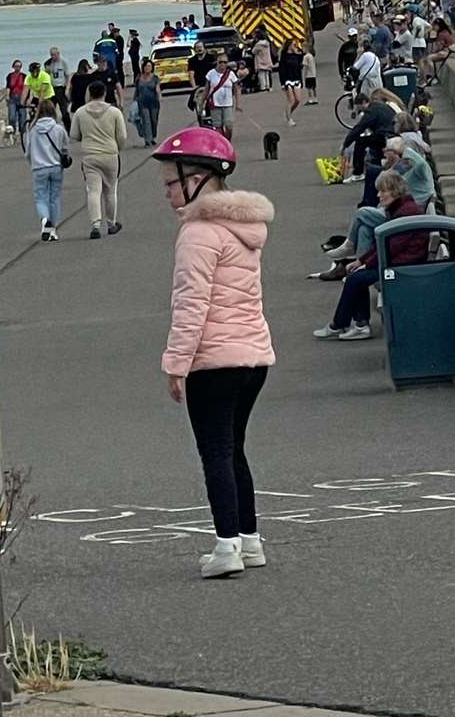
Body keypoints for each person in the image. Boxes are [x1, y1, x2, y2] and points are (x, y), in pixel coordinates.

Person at [154, 127, 275, 580]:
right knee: (234, 449)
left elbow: (192, 305)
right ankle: (249, 539)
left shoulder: (199, 233)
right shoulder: (244, 229)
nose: (167, 192)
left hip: (215, 359)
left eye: (171, 182)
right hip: (253, 357)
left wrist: (175, 364)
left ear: (199, 179)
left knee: (216, 453)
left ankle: (226, 548)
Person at [313, 170, 427, 341]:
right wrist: (360, 261)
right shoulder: (400, 208)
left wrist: (367, 265)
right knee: (356, 272)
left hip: (404, 267)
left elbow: (390, 247)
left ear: (395, 191)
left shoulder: (405, 213)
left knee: (355, 278)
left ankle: (340, 324)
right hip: (400, 261)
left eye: (383, 191)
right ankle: (359, 324)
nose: (379, 195)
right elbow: (384, 244)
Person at [71, 80, 129, 239]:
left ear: (89, 93)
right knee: (110, 190)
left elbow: (74, 135)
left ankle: (95, 224)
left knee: (93, 190)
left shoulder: (81, 112)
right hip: (110, 153)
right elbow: (122, 136)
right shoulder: (114, 112)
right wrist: (118, 147)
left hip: (90, 155)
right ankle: (111, 223)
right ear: (104, 93)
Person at [341, 94, 398, 206]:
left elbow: (360, 127)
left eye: (358, 106)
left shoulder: (371, 111)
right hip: (391, 133)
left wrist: (345, 144)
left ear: (363, 102)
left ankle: (358, 172)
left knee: (361, 142)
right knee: (367, 141)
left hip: (385, 136)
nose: (357, 110)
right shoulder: (379, 106)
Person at [26, 99, 68, 241]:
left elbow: (28, 152)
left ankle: (45, 219)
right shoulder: (58, 129)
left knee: (40, 197)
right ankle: (52, 230)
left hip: (39, 167)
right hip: (56, 166)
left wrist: (32, 162)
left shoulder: (32, 130)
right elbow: (65, 148)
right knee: (54, 198)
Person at [203, 52, 238, 141]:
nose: (222, 64)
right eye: (220, 62)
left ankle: (227, 141)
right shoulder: (211, 74)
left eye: (225, 62)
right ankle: (222, 142)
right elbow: (206, 89)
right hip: (215, 104)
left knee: (229, 125)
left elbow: (236, 90)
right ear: (217, 62)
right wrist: (202, 102)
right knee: (217, 126)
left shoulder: (231, 74)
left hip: (227, 104)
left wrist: (237, 103)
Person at [132, 58, 162, 147]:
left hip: (154, 103)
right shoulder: (139, 78)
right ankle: (147, 140)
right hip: (142, 103)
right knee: (146, 121)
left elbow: (157, 89)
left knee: (153, 121)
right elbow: (136, 90)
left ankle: (152, 137)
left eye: (149, 66)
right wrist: (134, 102)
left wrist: (159, 96)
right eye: (146, 66)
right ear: (143, 67)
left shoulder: (155, 78)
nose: (147, 68)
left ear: (152, 67)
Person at [278, 39, 305, 126]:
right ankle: (289, 119)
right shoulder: (284, 55)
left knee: (298, 100)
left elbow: (300, 64)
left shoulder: (296, 55)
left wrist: (298, 51)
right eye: (293, 44)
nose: (295, 46)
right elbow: (281, 69)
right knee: (291, 100)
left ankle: (289, 114)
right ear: (289, 45)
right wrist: (282, 83)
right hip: (287, 79)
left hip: (296, 78)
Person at [46, 49, 71, 124]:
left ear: (58, 54)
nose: (53, 57)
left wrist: (67, 88)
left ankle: (68, 126)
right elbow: (46, 74)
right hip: (52, 88)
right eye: (52, 55)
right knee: (51, 109)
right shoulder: (49, 63)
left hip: (61, 87)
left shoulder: (63, 63)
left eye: (54, 55)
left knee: (64, 109)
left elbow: (67, 76)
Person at [5, 59, 28, 135]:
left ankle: (22, 132)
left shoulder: (24, 76)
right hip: (12, 97)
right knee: (12, 117)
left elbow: (26, 88)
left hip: (22, 97)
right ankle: (13, 131)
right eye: (16, 66)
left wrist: (26, 98)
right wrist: (7, 96)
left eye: (19, 66)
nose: (17, 68)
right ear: (13, 67)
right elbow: (8, 87)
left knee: (22, 117)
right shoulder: (10, 76)